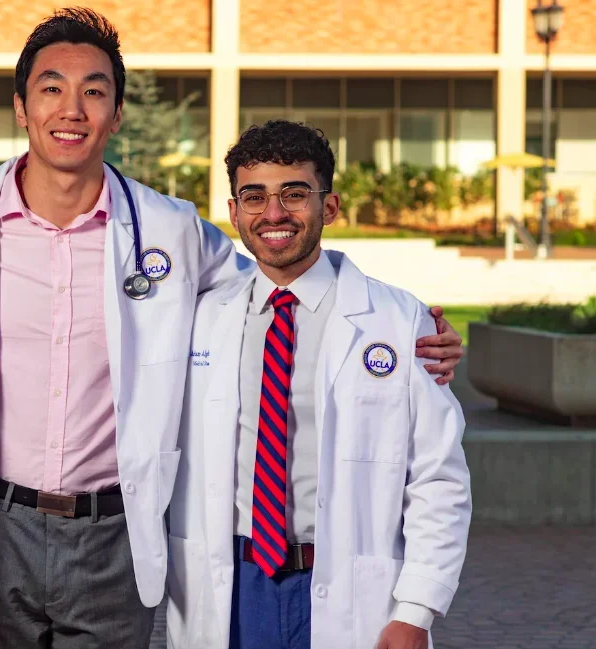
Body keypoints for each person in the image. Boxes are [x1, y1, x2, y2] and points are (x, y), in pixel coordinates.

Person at [0, 9, 465, 647]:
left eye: (93, 91)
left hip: (115, 535)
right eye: (51, 88)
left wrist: (398, 328)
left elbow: (272, 272)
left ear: (116, 112)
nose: (72, 108)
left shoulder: (170, 230)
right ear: (21, 107)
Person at [165, 120, 472, 649]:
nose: (274, 214)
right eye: (254, 197)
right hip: (231, 585)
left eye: (294, 194)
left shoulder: (400, 321)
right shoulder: (198, 319)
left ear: (328, 207)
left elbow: (437, 476)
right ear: (234, 212)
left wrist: (416, 611)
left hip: (349, 589)